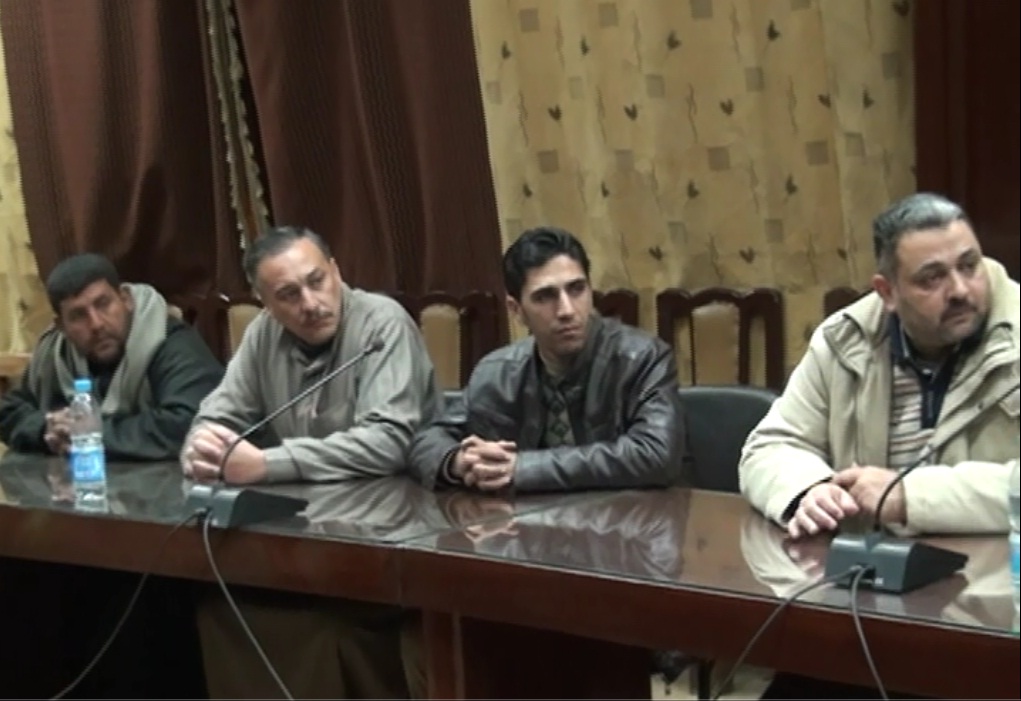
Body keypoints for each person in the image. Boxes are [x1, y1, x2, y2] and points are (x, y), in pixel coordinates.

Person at [739, 192, 1019, 699]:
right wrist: (808, 489)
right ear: (887, 292)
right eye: (931, 278)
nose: (960, 290)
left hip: (993, 618)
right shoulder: (845, 338)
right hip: (869, 609)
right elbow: (771, 444)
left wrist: (909, 496)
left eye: (969, 265)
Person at [179, 225, 440, 699]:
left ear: (336, 271)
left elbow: (387, 442)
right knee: (214, 607)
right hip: (307, 540)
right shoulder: (263, 335)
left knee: (315, 626)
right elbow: (216, 414)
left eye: (317, 281)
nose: (311, 303)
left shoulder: (382, 324)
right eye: (288, 295)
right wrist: (203, 447)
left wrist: (265, 465)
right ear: (266, 304)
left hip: (393, 539)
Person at [409, 226, 687, 493]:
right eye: (545, 296)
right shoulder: (496, 373)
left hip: (629, 520)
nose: (566, 310)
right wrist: (460, 461)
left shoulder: (641, 358)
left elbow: (657, 454)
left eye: (576, 289)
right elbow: (427, 441)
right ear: (516, 310)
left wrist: (523, 468)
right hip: (526, 522)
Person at [0, 253, 223, 461]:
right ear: (61, 326)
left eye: (103, 304)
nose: (96, 324)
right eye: (78, 315)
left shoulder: (170, 342)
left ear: (125, 299)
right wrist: (45, 429)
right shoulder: (54, 354)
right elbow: (8, 412)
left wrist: (87, 433)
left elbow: (189, 424)